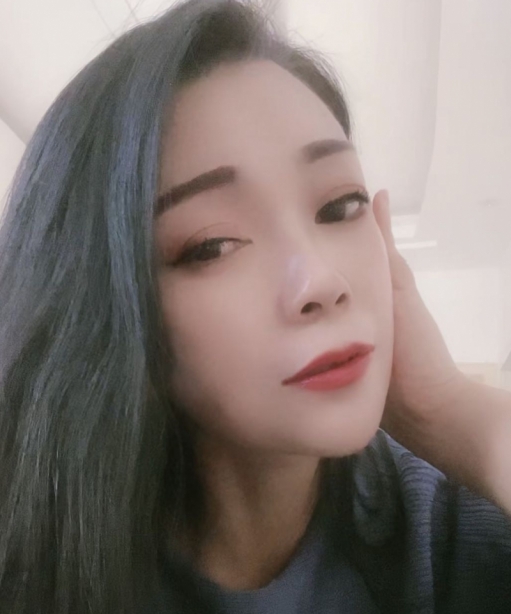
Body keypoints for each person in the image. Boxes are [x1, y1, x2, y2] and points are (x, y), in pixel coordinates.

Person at [0, 0, 510, 612]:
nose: (320, 280)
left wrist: (455, 413)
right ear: (97, 306)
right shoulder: (35, 563)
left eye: (340, 206)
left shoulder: (451, 534)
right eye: (213, 245)